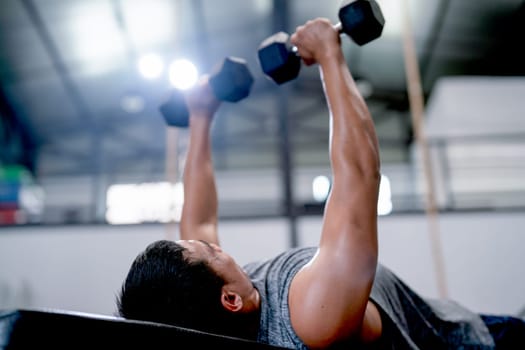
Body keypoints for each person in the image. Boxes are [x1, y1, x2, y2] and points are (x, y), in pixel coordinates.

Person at [117, 18, 525, 349]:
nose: (216, 246)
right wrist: (330, 56)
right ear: (230, 300)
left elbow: (200, 219)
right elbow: (359, 179)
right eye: (212, 252)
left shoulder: (213, 306)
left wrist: (201, 117)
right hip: (487, 343)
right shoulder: (314, 317)